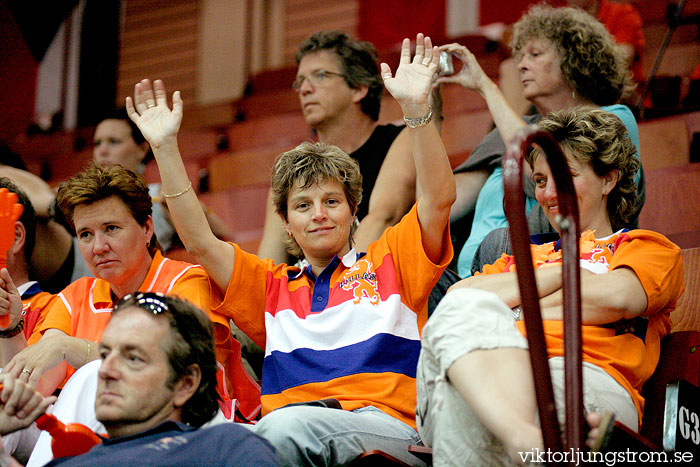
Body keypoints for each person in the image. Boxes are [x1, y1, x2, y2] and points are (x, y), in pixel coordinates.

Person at [127, 33, 454, 466]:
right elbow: (200, 242)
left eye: (331, 202)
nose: (318, 214)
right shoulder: (272, 287)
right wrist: (164, 147)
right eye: (303, 205)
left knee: (277, 430)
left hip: (387, 428)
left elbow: (436, 200)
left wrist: (415, 110)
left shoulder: (392, 260)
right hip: (284, 435)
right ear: (286, 223)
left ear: (353, 209)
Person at [416, 107, 685, 465]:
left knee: (459, 401)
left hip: (585, 381)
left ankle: (523, 438)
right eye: (541, 181)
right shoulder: (519, 257)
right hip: (496, 372)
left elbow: (618, 298)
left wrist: (511, 307)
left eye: (566, 175)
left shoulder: (646, 248)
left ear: (608, 180)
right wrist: (565, 273)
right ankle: (526, 439)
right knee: (461, 323)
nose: (550, 193)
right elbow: (458, 300)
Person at [0, 165, 259, 419]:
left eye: (111, 228)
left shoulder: (186, 283)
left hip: (198, 426)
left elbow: (172, 377)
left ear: (147, 228)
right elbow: (35, 387)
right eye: (86, 235)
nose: (98, 247)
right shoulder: (75, 295)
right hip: (106, 435)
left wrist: (72, 348)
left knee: (93, 376)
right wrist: (11, 329)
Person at [439, 4, 644, 278]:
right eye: (521, 55)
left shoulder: (612, 118)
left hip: (546, 268)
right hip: (470, 280)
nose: (522, 64)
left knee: (498, 242)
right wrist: (424, 108)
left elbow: (548, 166)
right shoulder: (503, 135)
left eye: (535, 54)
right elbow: (441, 205)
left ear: (575, 62)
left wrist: (486, 87)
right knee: (414, 275)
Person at [0, 293, 279, 467]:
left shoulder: (228, 448)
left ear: (185, 383)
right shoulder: (68, 464)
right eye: (105, 354)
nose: (105, 370)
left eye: (133, 358)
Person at [257, 30, 421, 264]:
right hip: (304, 293)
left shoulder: (400, 139)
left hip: (364, 286)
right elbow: (269, 262)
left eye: (321, 75)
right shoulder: (292, 167)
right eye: (301, 81)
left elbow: (383, 218)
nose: (305, 89)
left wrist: (336, 289)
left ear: (359, 88)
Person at [91, 108, 234, 252]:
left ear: (142, 149)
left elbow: (222, 237)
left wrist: (186, 205)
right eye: (97, 143)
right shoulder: (76, 198)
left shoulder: (161, 196)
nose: (102, 151)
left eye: (114, 142)